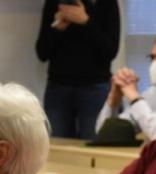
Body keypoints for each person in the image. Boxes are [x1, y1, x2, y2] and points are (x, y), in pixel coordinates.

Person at [36, 0, 120, 139]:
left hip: (96, 87)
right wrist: (58, 27)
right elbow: (42, 52)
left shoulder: (107, 3)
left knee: (94, 143)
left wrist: (86, 21)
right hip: (58, 87)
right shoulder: (56, 2)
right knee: (57, 145)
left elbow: (110, 51)